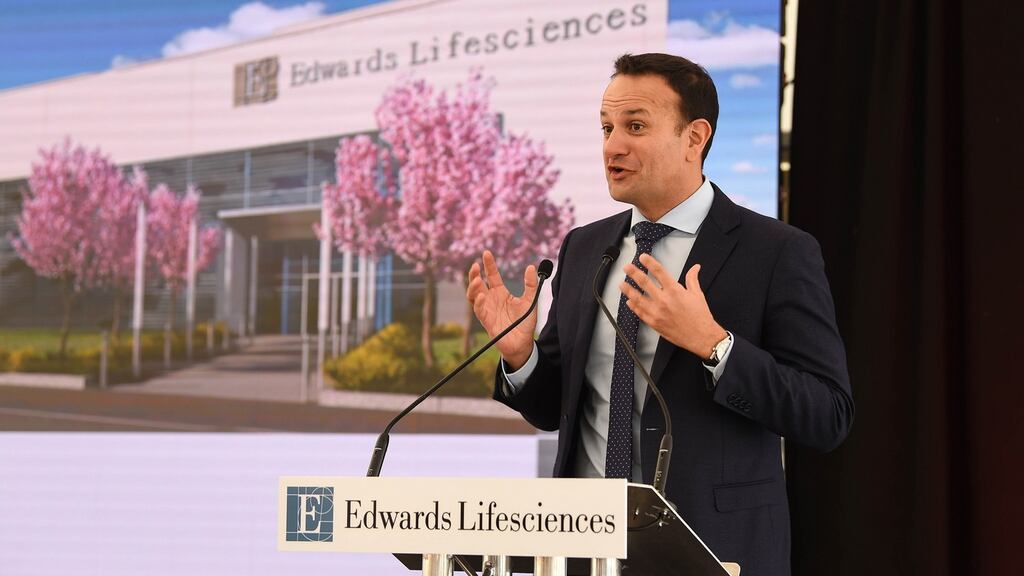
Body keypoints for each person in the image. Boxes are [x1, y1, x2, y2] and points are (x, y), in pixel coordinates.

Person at [466, 53, 853, 576]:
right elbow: (556, 407)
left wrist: (716, 346)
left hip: (711, 551)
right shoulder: (585, 247)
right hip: (581, 551)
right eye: (606, 127)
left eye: (635, 126)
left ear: (695, 137)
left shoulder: (776, 252)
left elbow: (827, 414)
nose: (612, 145)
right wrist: (521, 357)